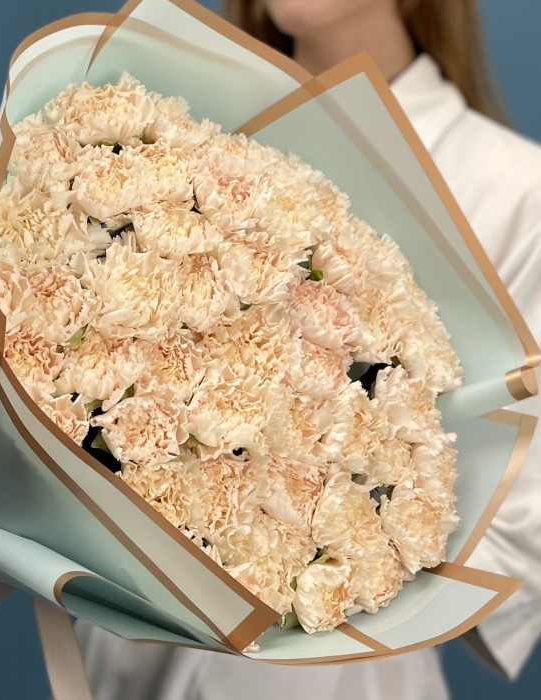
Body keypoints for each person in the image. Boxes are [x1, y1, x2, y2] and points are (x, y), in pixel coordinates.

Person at [74, 1, 541, 698]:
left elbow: (520, 532)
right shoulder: (166, 127)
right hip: (129, 664)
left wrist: (338, 520)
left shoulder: (514, 190)